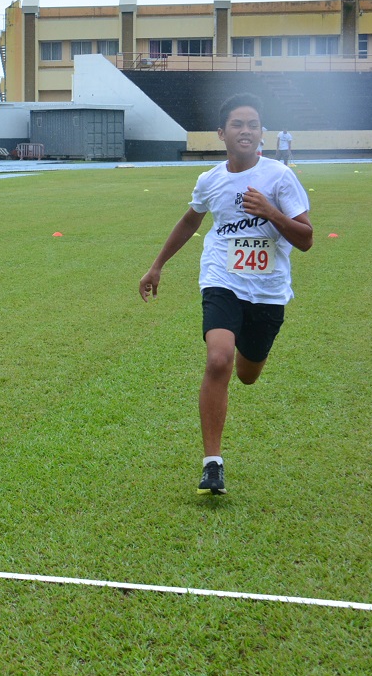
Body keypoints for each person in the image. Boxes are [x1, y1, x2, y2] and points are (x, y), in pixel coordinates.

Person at [138, 93, 312, 496]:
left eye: (253, 124)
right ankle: (212, 465)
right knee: (219, 358)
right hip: (222, 279)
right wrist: (157, 265)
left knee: (247, 375)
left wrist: (271, 212)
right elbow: (189, 220)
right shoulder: (210, 180)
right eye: (238, 124)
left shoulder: (280, 178)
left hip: (268, 291)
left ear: (262, 133)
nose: (246, 130)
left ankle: (246, 356)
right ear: (222, 133)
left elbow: (305, 240)